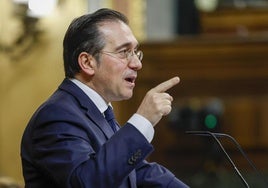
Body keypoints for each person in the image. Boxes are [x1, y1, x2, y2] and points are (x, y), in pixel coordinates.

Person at [20, 8, 189, 188]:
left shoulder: (98, 113)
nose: (137, 64)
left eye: (136, 52)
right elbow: (88, 182)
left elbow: (136, 173)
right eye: (124, 52)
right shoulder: (56, 116)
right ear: (87, 62)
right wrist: (143, 120)